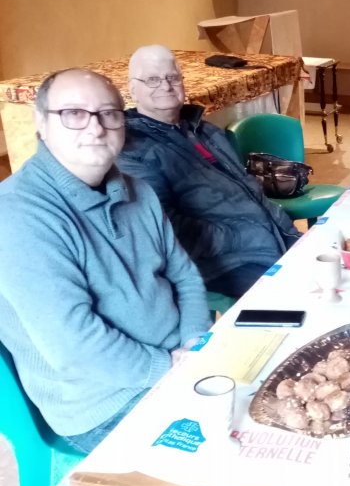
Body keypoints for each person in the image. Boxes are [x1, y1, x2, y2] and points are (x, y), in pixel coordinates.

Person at [0, 69, 210, 453]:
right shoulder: (16, 215)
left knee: (295, 387)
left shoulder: (138, 191)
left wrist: (196, 343)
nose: (95, 128)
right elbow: (74, 346)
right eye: (74, 114)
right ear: (41, 123)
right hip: (105, 402)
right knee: (253, 442)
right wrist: (169, 366)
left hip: (178, 361)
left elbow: (184, 275)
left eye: (109, 113)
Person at [117, 45, 300, 298]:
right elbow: (167, 227)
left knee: (338, 272)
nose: (166, 86)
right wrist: (248, 235)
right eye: (152, 79)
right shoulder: (133, 150)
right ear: (132, 89)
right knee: (297, 299)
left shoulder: (204, 130)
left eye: (172, 77)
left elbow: (250, 189)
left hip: (268, 239)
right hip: (222, 261)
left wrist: (282, 227)